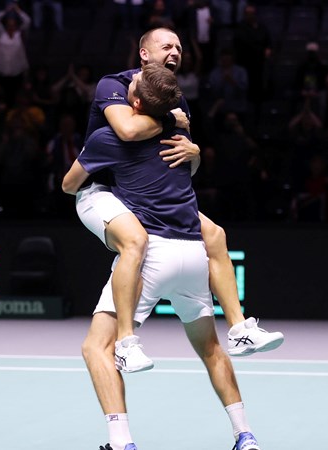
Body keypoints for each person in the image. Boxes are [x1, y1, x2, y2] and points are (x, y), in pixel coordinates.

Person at [62, 63, 263, 450]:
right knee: (210, 347)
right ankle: (245, 434)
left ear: (134, 102)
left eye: (132, 86)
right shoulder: (180, 133)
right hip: (194, 255)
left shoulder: (108, 136)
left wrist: (107, 186)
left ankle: (121, 438)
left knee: (94, 348)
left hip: (154, 254)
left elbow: (70, 185)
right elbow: (185, 170)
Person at [76, 27, 284, 373]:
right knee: (135, 242)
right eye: (166, 46)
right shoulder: (113, 86)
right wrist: (169, 118)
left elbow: (182, 165)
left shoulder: (174, 96)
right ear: (144, 54)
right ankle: (126, 343)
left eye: (180, 47)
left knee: (215, 234)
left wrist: (197, 152)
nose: (175, 52)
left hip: (144, 190)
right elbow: (127, 130)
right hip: (106, 191)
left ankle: (239, 329)